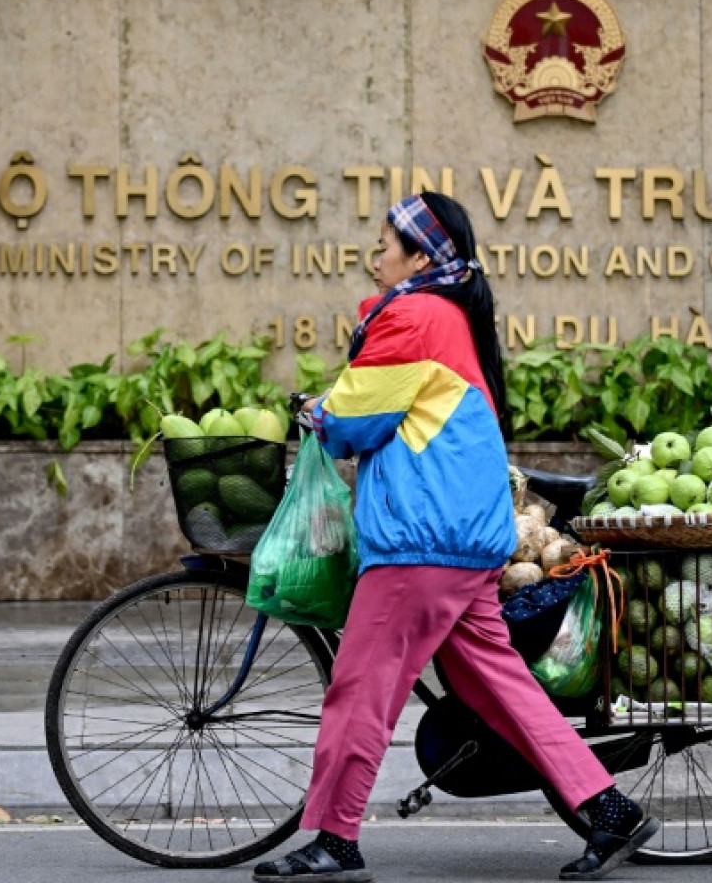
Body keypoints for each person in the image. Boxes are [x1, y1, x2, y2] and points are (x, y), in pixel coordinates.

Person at [253, 192, 658, 883]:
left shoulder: (411, 315)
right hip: (466, 537)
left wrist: (318, 411)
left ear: (418, 256)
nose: (373, 255)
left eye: (384, 243)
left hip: (422, 541)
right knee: (498, 685)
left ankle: (337, 842)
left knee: (361, 689)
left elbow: (356, 421)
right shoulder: (446, 315)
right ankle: (609, 808)